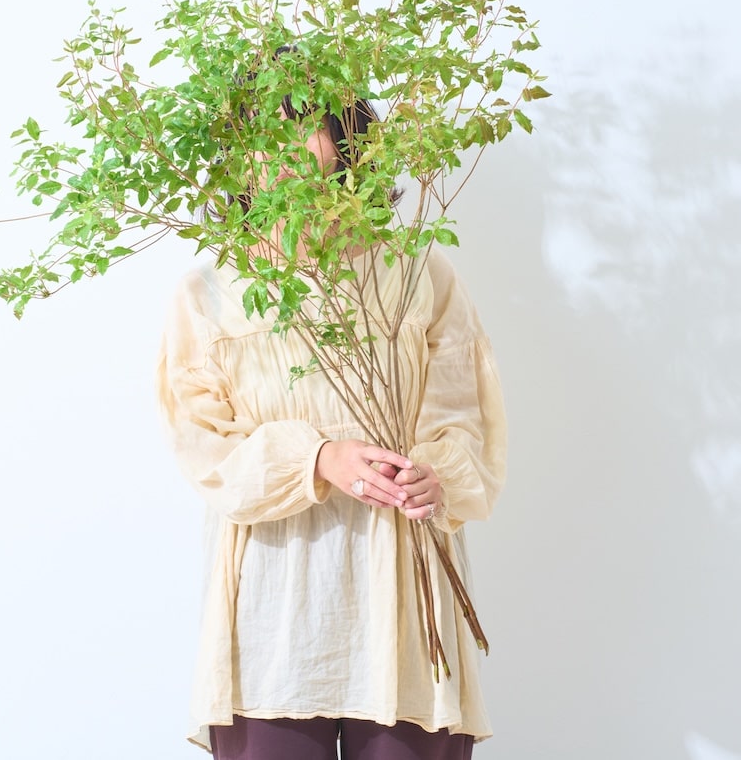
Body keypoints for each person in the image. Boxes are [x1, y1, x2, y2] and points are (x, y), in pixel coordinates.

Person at [154, 92, 507, 759]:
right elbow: (205, 450)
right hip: (273, 613)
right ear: (235, 156)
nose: (285, 150)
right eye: (262, 134)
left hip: (407, 605)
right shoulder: (209, 292)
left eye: (305, 128)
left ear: (345, 140)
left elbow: (465, 414)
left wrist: (437, 473)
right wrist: (317, 459)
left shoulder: (416, 272)